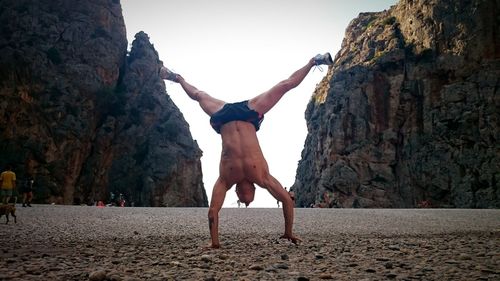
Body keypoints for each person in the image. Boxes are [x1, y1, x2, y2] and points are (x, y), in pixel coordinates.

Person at [160, 53, 333, 249]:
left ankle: (176, 77)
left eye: (243, 201)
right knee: (285, 86)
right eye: (248, 200)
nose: (247, 202)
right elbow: (286, 200)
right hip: (249, 113)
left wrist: (215, 242)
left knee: (199, 95)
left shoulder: (225, 179)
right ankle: (314, 61)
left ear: (237, 192)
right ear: (253, 189)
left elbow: (213, 211)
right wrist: (288, 231)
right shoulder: (262, 176)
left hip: (222, 116)